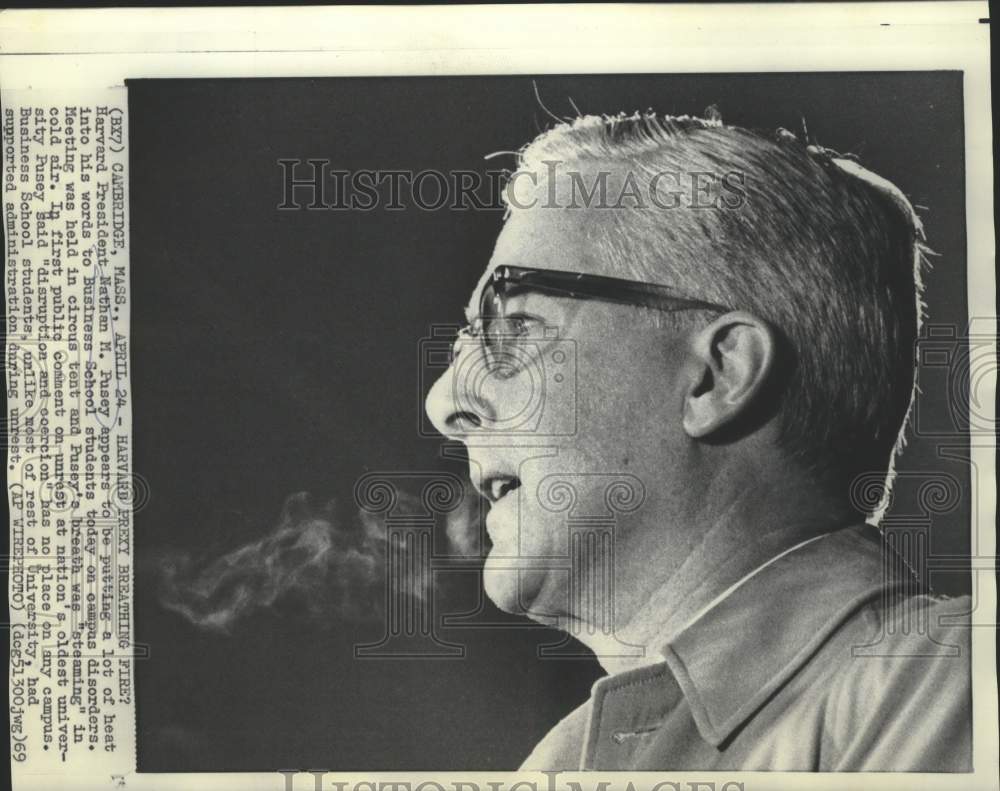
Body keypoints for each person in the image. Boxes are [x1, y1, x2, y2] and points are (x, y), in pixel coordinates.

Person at [423, 112, 971, 771]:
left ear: (718, 374)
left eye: (512, 326)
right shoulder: (558, 765)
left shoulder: (951, 682)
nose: (445, 402)